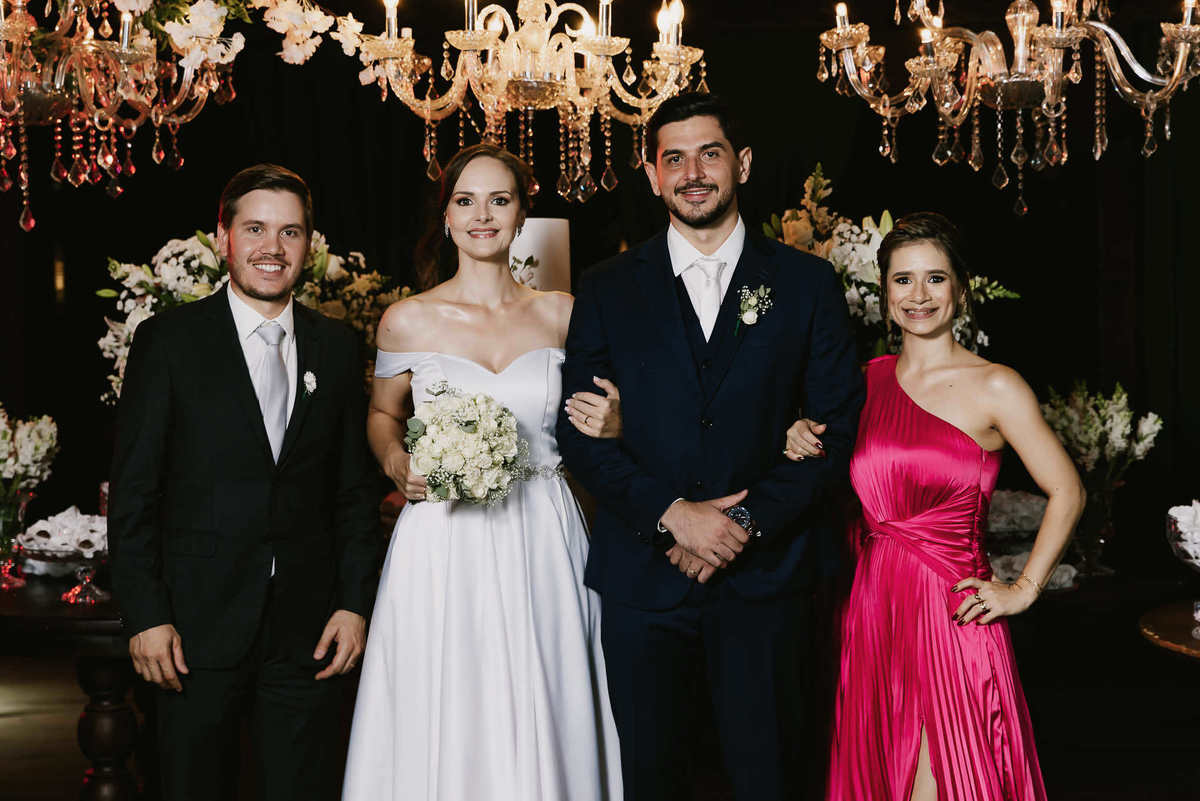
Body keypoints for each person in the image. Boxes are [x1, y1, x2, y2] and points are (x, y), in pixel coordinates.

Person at [555, 92, 865, 801]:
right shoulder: (605, 288)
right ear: (652, 175)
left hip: (768, 583)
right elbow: (579, 430)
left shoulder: (806, 283)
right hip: (643, 584)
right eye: (674, 159)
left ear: (743, 164)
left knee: (770, 781)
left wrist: (741, 523)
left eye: (710, 154)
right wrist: (672, 516)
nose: (692, 173)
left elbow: (836, 429)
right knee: (650, 782)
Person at [341, 143, 622, 801]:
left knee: (547, 688)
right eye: (466, 201)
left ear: (522, 213)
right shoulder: (407, 320)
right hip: (444, 535)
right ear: (446, 216)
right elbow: (382, 414)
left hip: (544, 529)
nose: (483, 215)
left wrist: (615, 422)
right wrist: (396, 460)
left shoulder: (564, 313)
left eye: (500, 200)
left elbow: (603, 415)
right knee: (449, 692)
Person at [783, 212, 1085, 801]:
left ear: (961, 290)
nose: (918, 295)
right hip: (871, 613)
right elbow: (829, 485)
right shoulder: (859, 384)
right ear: (884, 292)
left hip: (952, 615)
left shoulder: (996, 385)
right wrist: (798, 436)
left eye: (935, 278)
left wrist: (1023, 589)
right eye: (903, 280)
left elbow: (1068, 490)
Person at [109, 164, 379, 800]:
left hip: (309, 636)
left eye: (290, 232)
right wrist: (145, 616)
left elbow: (354, 493)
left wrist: (354, 604)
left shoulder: (337, 347)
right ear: (222, 237)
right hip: (191, 634)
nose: (272, 247)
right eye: (255, 228)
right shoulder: (168, 343)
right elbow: (134, 493)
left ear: (309, 245)